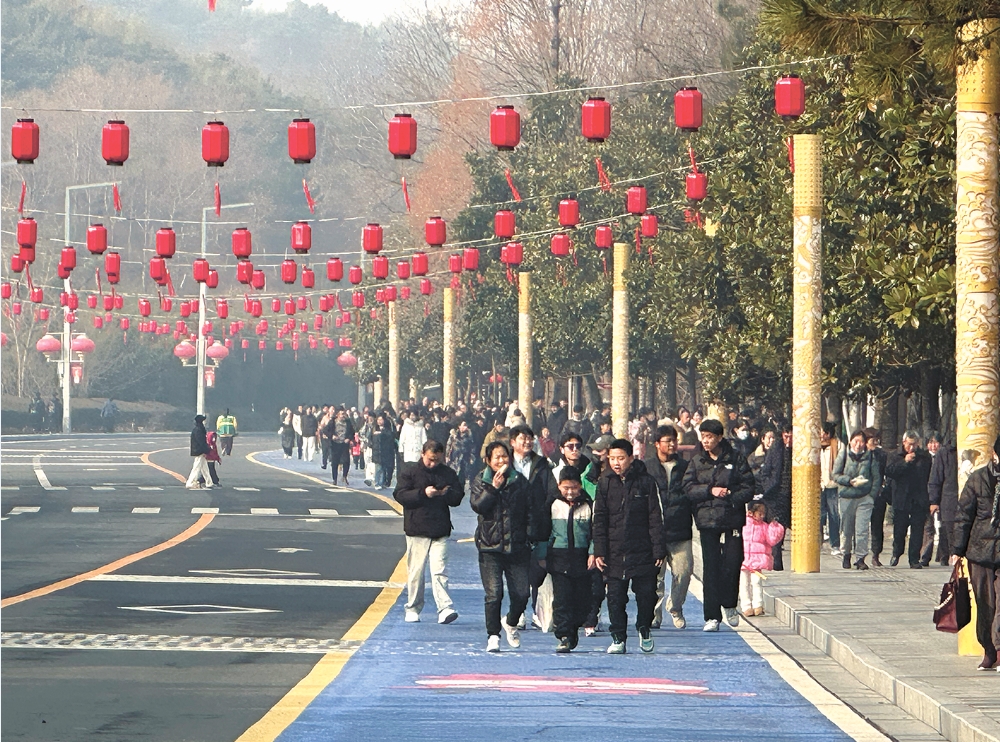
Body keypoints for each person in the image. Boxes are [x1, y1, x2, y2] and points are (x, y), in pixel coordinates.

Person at [682, 418, 755, 631]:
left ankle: (730, 604)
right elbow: (687, 487)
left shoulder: (736, 458)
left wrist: (731, 495)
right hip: (707, 519)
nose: (705, 441)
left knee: (733, 563)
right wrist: (709, 491)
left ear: (719, 438)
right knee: (711, 568)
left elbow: (748, 486)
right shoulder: (697, 461)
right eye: (703, 437)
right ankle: (712, 616)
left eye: (710, 437)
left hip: (731, 518)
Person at [593, 439, 664, 654]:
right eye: (612, 458)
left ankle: (643, 627)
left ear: (631, 459)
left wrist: (658, 549)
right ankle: (618, 637)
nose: (616, 463)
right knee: (615, 597)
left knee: (647, 595)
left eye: (621, 458)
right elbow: (599, 519)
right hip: (614, 551)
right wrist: (599, 550)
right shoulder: (605, 483)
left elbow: (655, 517)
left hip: (642, 549)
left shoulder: (646, 482)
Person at [471, 441, 535, 653]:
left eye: (505, 457)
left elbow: (529, 510)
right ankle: (493, 635)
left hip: (517, 547)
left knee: (522, 593)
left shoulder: (519, 481)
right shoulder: (482, 480)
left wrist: (528, 535)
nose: (501, 461)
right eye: (497, 457)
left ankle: (510, 621)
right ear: (488, 460)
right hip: (490, 547)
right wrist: (493, 488)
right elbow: (478, 506)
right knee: (494, 593)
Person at [393, 440, 464, 626]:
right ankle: (413, 607)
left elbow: (458, 497)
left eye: (438, 460)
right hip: (417, 529)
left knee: (439, 571)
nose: (434, 464)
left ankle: (445, 607)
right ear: (422, 453)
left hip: (440, 529)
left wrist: (446, 494)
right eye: (431, 459)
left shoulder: (447, 473)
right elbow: (400, 495)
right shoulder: (410, 472)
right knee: (416, 572)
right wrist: (423, 493)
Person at [951, 436, 1000, 671]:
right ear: (995, 455)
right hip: (980, 551)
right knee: (985, 604)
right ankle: (989, 649)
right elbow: (963, 515)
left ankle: (999, 650)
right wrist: (957, 550)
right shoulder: (979, 478)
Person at [537, 466, 596, 653]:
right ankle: (563, 635)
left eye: (574, 488)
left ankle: (573, 629)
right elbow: (543, 531)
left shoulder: (588, 504)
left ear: (580, 486)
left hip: (582, 558)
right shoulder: (552, 504)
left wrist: (593, 552)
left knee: (582, 600)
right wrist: (542, 555)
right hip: (558, 557)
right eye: (565, 488)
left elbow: (595, 533)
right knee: (562, 599)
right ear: (559, 486)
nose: (570, 492)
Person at [509, 424, 559, 626]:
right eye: (522, 438)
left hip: (538, 524)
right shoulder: (506, 464)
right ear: (513, 442)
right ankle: (518, 611)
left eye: (530, 438)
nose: (527, 442)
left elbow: (552, 491)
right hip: (513, 526)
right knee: (517, 569)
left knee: (538, 568)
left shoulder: (542, 464)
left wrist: (542, 510)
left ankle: (537, 610)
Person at [645, 426, 693, 630]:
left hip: (680, 529)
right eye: (667, 440)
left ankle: (675, 606)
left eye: (674, 440)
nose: (672, 444)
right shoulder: (646, 468)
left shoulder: (686, 467)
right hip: (653, 531)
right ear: (657, 444)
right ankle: (654, 614)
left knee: (684, 571)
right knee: (654, 577)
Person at [833, 429, 882, 570]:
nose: (858, 444)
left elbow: (876, 478)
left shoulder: (870, 457)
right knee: (847, 529)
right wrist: (849, 481)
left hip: (864, 498)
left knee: (862, 529)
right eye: (856, 441)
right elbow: (835, 475)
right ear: (850, 441)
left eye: (861, 441)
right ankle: (846, 555)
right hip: (847, 496)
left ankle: (860, 558)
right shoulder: (843, 455)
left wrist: (871, 496)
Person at [885, 431, 933, 568]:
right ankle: (896, 552)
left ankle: (914, 559)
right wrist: (904, 462)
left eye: (914, 444)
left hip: (918, 498)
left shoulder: (924, 457)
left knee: (917, 531)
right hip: (901, 499)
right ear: (904, 442)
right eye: (909, 444)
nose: (911, 447)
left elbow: (928, 475)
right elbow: (889, 471)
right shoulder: (894, 455)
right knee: (899, 531)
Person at [739, 502, 785, 616]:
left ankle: (758, 605)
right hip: (743, 559)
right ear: (751, 513)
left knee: (756, 582)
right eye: (760, 513)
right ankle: (746, 606)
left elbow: (772, 540)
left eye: (763, 514)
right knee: (743, 583)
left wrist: (775, 528)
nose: (762, 516)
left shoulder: (764, 526)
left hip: (757, 560)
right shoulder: (742, 524)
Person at [759, 424, 793, 570]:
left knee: (787, 529)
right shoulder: (775, 450)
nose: (789, 440)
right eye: (786, 436)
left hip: (791, 495)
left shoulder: (799, 450)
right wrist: (768, 487)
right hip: (776, 495)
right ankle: (776, 564)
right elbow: (765, 472)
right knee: (776, 529)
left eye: (791, 437)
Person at [928, 437, 960, 566]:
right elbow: (936, 478)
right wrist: (934, 501)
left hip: (970, 500)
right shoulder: (945, 452)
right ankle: (949, 557)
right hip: (949, 499)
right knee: (949, 530)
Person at [865, 427, 891, 566]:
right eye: (872, 440)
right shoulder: (860, 454)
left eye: (876, 439)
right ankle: (859, 554)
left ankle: (876, 554)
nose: (875, 442)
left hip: (878, 494)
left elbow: (887, 471)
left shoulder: (882, 455)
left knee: (877, 525)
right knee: (861, 526)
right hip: (862, 494)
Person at [819, 422, 843, 556]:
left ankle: (835, 544)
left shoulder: (838, 446)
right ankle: (818, 542)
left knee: (833, 515)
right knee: (819, 516)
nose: (820, 435)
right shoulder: (815, 446)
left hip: (833, 485)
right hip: (819, 485)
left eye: (822, 432)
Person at [446, 419, 476, 486]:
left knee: (462, 477)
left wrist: (472, 457)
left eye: (465, 426)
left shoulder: (469, 436)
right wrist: (447, 456)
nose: (464, 427)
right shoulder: (453, 435)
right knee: (453, 475)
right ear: (459, 426)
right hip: (454, 457)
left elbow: (472, 447)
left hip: (465, 458)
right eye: (462, 425)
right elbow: (449, 445)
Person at [185, 415, 213, 490]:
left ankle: (209, 482)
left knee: (204, 467)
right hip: (199, 451)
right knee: (196, 467)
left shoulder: (197, 429)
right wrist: (206, 449)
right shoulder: (199, 430)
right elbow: (201, 442)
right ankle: (190, 482)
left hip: (198, 450)